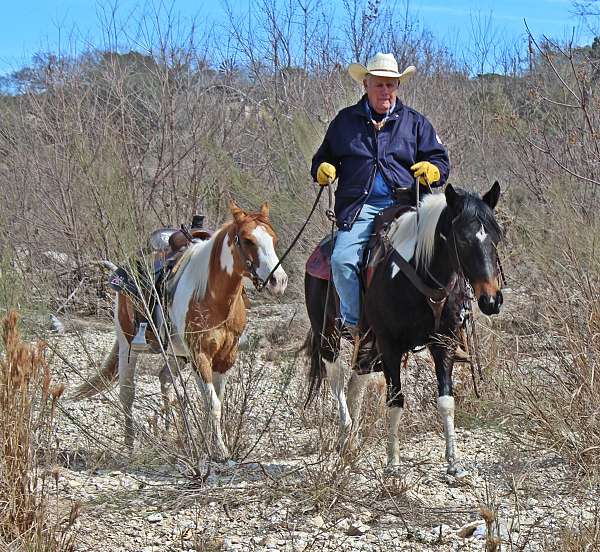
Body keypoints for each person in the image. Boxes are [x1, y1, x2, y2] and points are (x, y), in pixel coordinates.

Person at [311, 52, 450, 354]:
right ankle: (359, 328)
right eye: (379, 85)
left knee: (447, 251)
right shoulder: (344, 122)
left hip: (408, 206)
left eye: (391, 85)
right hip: (360, 209)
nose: (385, 91)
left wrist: (433, 170)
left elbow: (440, 159)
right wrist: (323, 169)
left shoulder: (415, 123)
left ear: (397, 86)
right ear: (366, 84)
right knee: (341, 260)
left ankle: (452, 327)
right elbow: (322, 157)